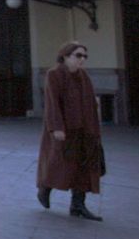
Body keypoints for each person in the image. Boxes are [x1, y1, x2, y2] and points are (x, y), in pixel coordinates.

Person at [37, 41, 105, 221]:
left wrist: (94, 128)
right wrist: (57, 128)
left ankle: (78, 205)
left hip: (84, 130)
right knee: (58, 164)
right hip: (63, 130)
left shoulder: (84, 76)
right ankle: (45, 188)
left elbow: (90, 102)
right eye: (78, 55)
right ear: (66, 56)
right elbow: (52, 103)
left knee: (83, 166)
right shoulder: (54, 75)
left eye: (84, 56)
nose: (82, 59)